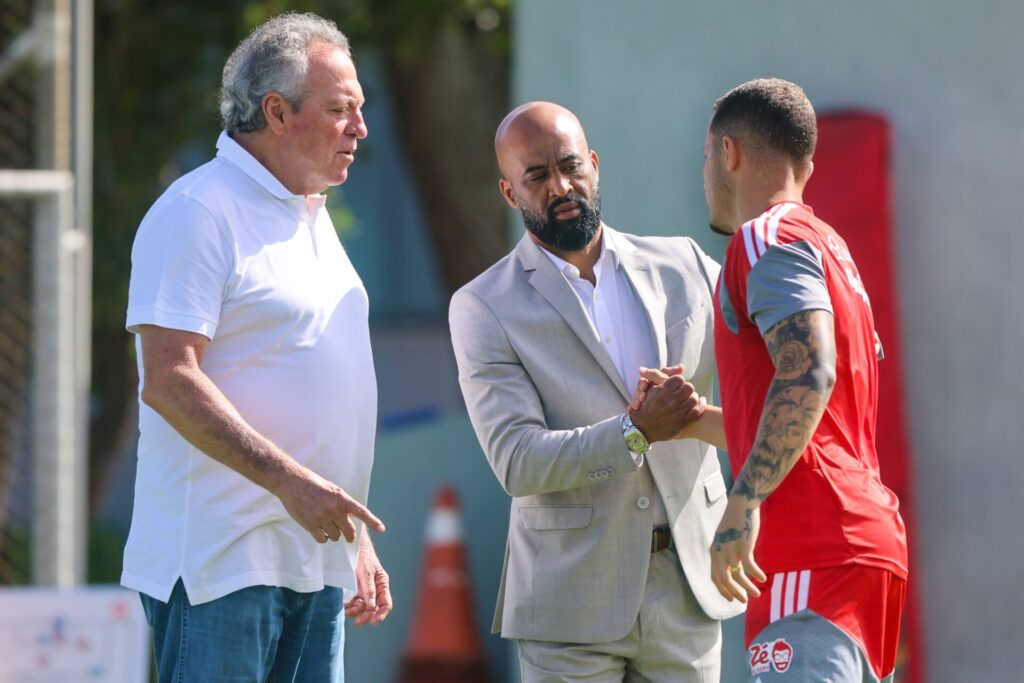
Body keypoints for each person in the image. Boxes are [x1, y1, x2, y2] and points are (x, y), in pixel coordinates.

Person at [121, 13, 391, 681]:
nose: (360, 129)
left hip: (316, 562)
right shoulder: (198, 210)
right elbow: (169, 380)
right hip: (220, 565)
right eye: (340, 110)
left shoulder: (312, 216)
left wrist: (353, 537)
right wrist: (290, 482)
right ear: (276, 110)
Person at [448, 101, 743, 683]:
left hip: (688, 591)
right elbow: (517, 461)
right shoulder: (483, 306)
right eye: (536, 175)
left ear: (595, 166)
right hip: (569, 604)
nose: (560, 185)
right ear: (510, 193)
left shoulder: (683, 263)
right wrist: (636, 432)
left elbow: (766, 350)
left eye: (570, 165)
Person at [699, 78, 908, 682]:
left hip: (812, 551)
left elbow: (808, 374)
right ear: (809, 166)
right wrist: (692, 424)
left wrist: (742, 501)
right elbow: (814, 421)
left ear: (728, 153)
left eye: (706, 157)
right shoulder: (834, 252)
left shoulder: (764, 237)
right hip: (864, 549)